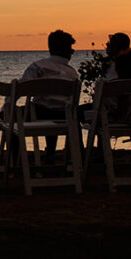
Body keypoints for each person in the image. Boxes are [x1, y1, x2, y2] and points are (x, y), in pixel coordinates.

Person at [18, 29, 79, 164]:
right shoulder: (72, 73)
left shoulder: (38, 66)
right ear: (64, 49)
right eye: (70, 48)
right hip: (64, 116)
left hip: (40, 114)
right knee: (55, 109)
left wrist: (7, 106)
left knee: (12, 116)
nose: (72, 52)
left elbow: (21, 89)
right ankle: (51, 152)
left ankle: (16, 159)